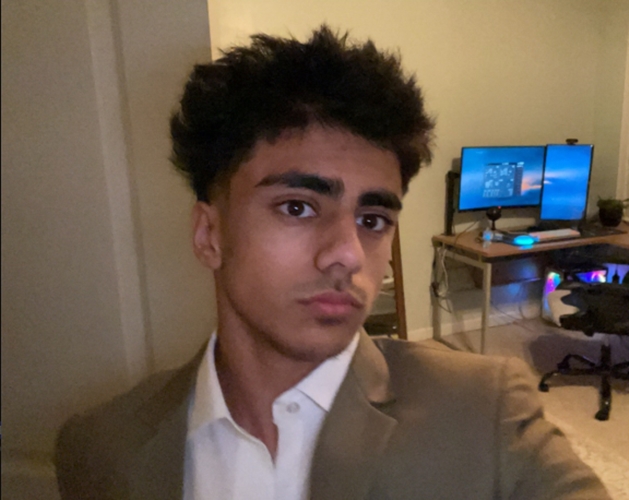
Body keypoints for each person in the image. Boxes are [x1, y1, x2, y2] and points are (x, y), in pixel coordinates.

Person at [54, 25, 609, 500]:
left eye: (372, 219)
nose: (348, 253)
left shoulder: (485, 413)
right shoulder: (102, 448)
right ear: (209, 234)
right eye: (297, 207)